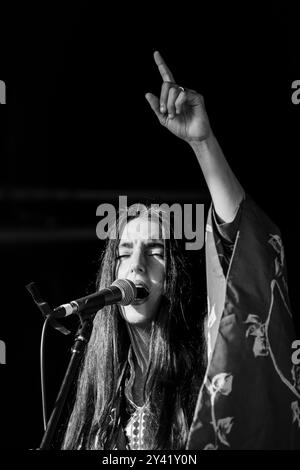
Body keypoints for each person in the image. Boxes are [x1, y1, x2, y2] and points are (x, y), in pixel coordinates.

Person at [62, 52, 300, 450]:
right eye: (124, 252)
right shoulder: (99, 385)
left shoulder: (205, 372)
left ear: (172, 279)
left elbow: (246, 249)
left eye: (154, 251)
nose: (135, 265)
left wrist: (203, 143)